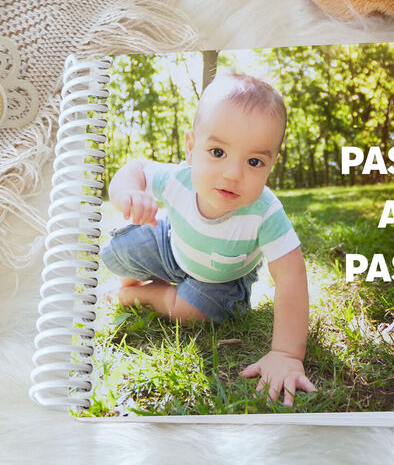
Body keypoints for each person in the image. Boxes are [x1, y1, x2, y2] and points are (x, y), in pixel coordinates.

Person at [100, 73, 315, 406]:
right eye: (217, 152)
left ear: (271, 165)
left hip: (220, 279)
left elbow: (291, 277)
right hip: (169, 244)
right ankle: (129, 279)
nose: (232, 173)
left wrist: (286, 353)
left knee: (192, 311)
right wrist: (128, 191)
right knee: (114, 252)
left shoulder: (266, 212)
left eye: (254, 161)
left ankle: (138, 296)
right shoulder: (177, 179)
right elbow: (136, 167)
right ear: (190, 148)